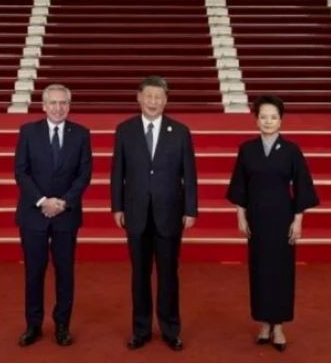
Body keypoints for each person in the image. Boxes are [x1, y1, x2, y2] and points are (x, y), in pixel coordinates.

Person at [110, 76, 198, 351]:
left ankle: (171, 330)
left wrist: (191, 209)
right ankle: (141, 329)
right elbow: (117, 173)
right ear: (138, 98)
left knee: (169, 274)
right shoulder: (125, 130)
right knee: (140, 274)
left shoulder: (180, 131)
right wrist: (117, 206)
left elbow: (190, 175)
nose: (153, 102)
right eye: (148, 96)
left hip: (170, 213)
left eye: (158, 97)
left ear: (166, 100)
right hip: (135, 213)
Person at [226, 95, 319, 352]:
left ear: (281, 120)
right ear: (256, 119)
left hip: (282, 219)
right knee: (259, 271)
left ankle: (278, 326)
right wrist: (240, 215)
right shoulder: (247, 149)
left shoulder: (291, 150)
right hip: (256, 219)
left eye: (273, 117)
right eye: (263, 117)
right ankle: (263, 324)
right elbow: (239, 186)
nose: (268, 121)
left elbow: (302, 187)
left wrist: (298, 220)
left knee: (281, 272)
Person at [14, 84, 92, 347]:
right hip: (32, 214)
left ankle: (62, 325)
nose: (59, 108)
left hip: (66, 215)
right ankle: (33, 325)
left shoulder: (81, 134)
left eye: (64, 103)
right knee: (34, 272)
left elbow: (84, 175)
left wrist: (64, 203)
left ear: (69, 105)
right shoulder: (28, 132)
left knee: (65, 272)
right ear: (44, 105)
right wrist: (42, 201)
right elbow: (21, 172)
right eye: (54, 103)